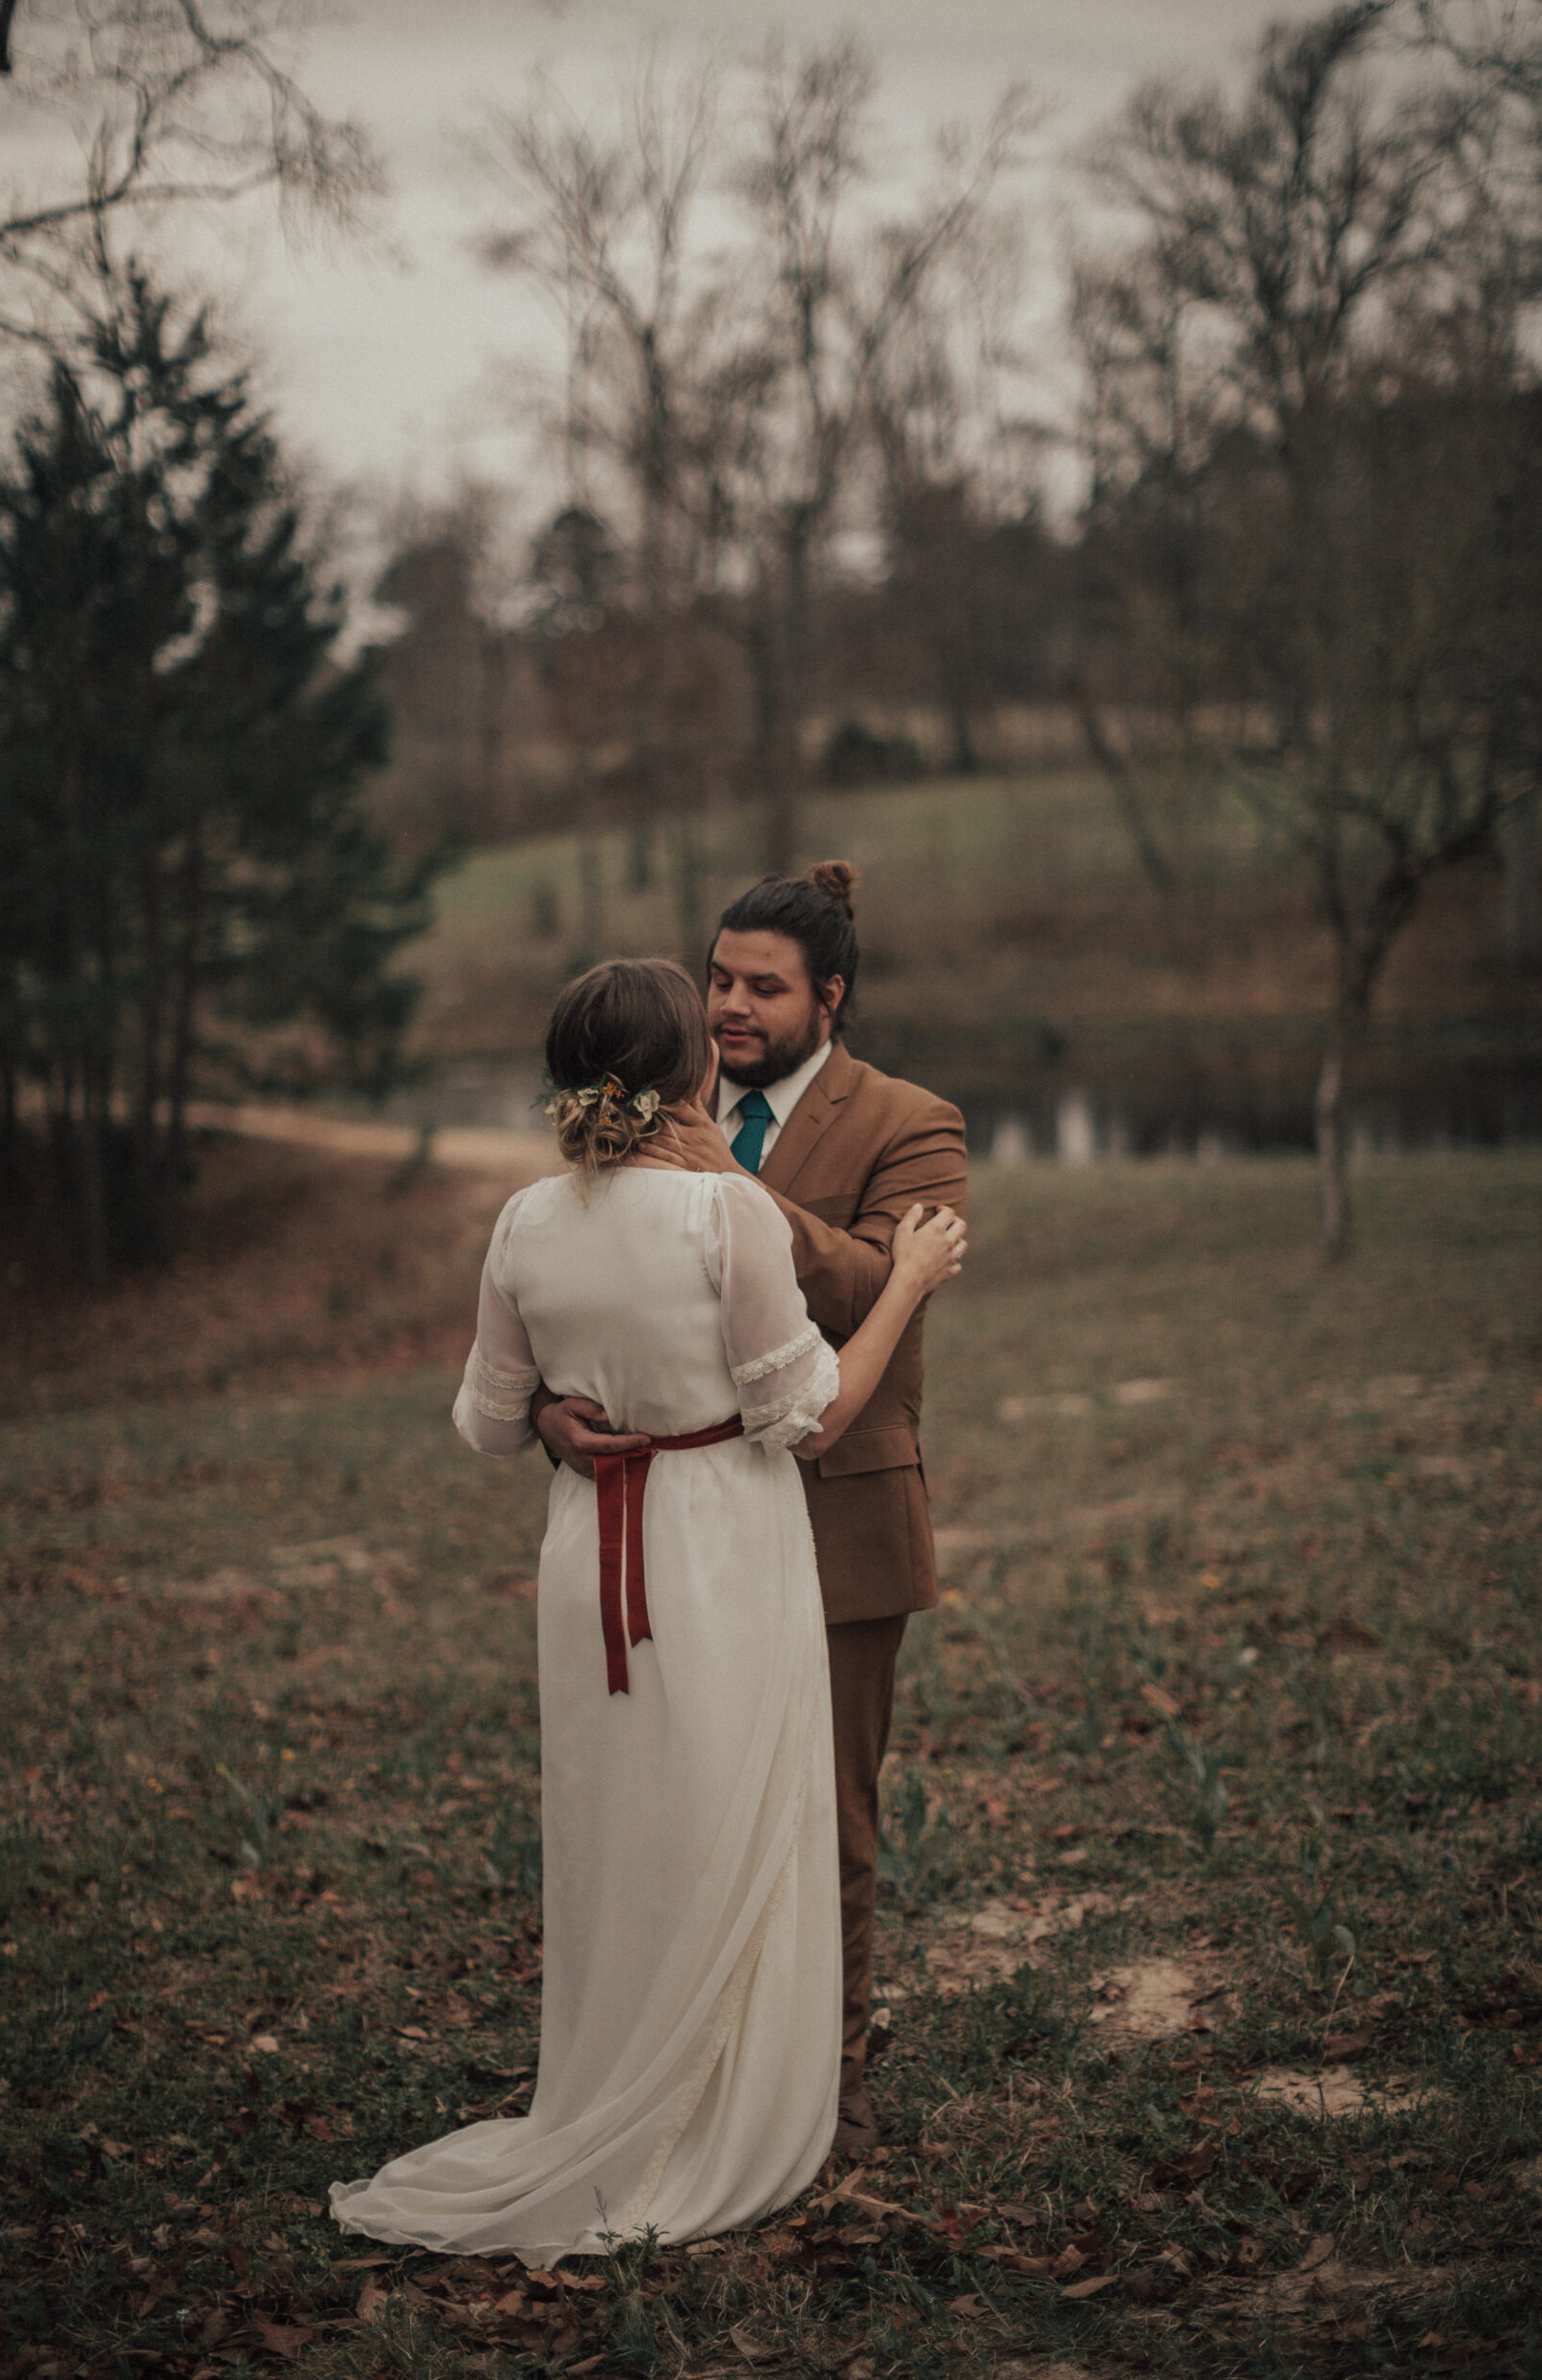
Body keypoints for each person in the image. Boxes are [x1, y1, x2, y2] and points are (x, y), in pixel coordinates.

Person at [330, 957, 965, 2265]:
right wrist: (906, 1282)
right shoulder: (720, 1217)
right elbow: (809, 1418)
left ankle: (615, 2086)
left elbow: (488, 1424)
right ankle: (722, 2108)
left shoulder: (523, 1220)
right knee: (733, 1806)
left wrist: (566, 1414)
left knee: (623, 1819)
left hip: (592, 1557)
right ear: (690, 1073)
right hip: (723, 1543)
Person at [535, 865, 966, 2162]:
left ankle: (824, 2085)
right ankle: (687, 2073)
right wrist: (553, 1416)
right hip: (679, 1532)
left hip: (838, 1513)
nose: (728, 1005)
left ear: (828, 997)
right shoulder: (654, 1093)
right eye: (718, 979)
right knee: (688, 1801)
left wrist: (731, 1181)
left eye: (760, 987)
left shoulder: (912, 1121)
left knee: (826, 1819)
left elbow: (872, 1293)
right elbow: (583, 1277)